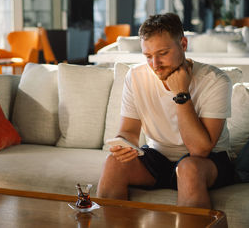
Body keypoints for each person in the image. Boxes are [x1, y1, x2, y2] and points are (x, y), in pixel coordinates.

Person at [97, 13, 235, 209]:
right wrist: (124, 144)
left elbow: (200, 149)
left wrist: (181, 93)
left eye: (162, 53)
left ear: (184, 44)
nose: (155, 64)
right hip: (158, 157)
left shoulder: (215, 80)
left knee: (187, 169)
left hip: (205, 162)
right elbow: (129, 130)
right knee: (113, 163)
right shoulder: (135, 77)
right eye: (148, 56)